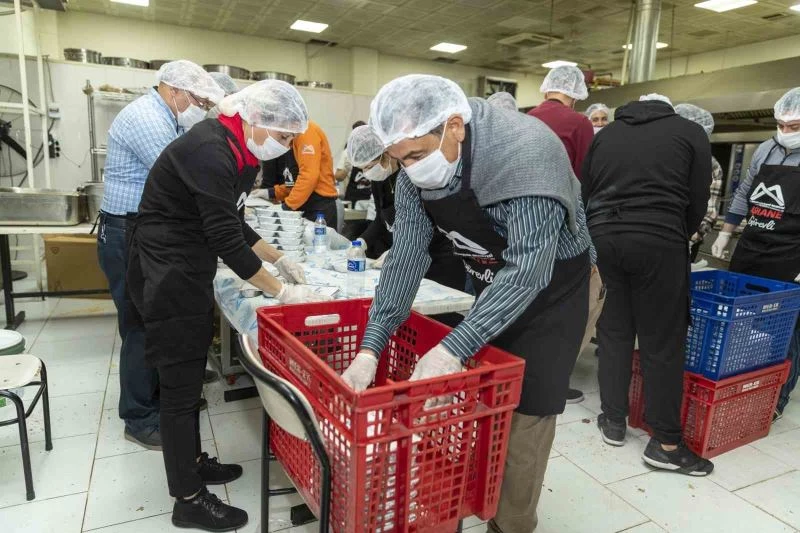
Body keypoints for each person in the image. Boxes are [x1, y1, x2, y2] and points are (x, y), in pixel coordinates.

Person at [341, 74, 594, 533]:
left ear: (454, 126)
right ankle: (473, 494)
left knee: (527, 411)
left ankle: (511, 523)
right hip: (492, 277)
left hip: (555, 289)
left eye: (416, 156)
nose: (411, 168)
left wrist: (454, 347)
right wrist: (371, 346)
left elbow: (529, 271)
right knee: (483, 400)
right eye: (401, 160)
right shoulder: (418, 170)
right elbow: (407, 256)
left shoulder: (527, 157)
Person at [126, 80, 330, 532]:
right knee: (179, 389)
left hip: (187, 267)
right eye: (282, 136)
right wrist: (280, 292)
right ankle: (188, 500)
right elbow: (224, 239)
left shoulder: (240, 151)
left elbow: (234, 221)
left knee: (189, 378)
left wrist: (278, 259)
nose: (284, 147)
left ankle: (194, 462)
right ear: (255, 120)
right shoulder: (210, 150)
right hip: (166, 272)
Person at [582, 93, 714, 475]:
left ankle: (613, 420)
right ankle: (666, 443)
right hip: (659, 239)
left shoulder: (606, 135)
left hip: (605, 238)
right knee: (662, 340)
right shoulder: (690, 132)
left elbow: (586, 192)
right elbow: (698, 198)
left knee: (614, 332)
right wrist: (676, 234)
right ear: (668, 108)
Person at [97, 59, 222, 451]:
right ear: (174, 90)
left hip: (140, 229)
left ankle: (162, 399)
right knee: (139, 325)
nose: (200, 108)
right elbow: (182, 179)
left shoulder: (167, 117)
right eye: (198, 100)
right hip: (126, 232)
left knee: (156, 320)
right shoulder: (148, 119)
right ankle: (138, 417)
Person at [711, 87, 800, 421]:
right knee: (743, 321)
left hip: (790, 254)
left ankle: (776, 398)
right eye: (781, 125)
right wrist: (726, 232)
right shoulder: (766, 149)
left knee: (786, 329)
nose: (785, 132)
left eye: (794, 127)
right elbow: (745, 192)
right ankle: (742, 383)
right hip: (752, 246)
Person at [346, 124, 466, 326]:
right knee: (409, 317)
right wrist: (362, 241)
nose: (367, 173)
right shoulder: (380, 179)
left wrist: (402, 250)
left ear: (386, 154)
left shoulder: (413, 174)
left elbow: (431, 223)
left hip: (440, 256)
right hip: (408, 252)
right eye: (363, 169)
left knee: (438, 319)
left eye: (369, 166)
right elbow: (381, 219)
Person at [528, 64, 595, 404]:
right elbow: (586, 177)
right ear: (577, 92)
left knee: (528, 301)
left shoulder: (528, 117)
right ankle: (551, 382)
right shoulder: (579, 123)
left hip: (521, 222)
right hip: (562, 226)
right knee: (562, 310)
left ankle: (522, 374)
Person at [252, 120, 339, 227]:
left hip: (319, 208)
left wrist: (287, 206)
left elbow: (309, 177)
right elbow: (294, 184)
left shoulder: (306, 131)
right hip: (303, 205)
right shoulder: (292, 140)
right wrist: (271, 192)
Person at [674, 103, 724, 262]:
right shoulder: (658, 155)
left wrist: (689, 239)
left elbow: (710, 212)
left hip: (684, 239)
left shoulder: (710, 165)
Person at [528, 65, 594, 179]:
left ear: (546, 91)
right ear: (575, 95)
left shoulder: (528, 116)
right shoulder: (580, 123)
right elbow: (585, 171)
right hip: (562, 189)